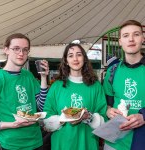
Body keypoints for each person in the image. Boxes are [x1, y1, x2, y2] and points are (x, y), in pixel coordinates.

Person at [43, 43, 107, 150]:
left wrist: (89, 117)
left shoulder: (96, 86)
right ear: (66, 61)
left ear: (84, 59)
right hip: (62, 144)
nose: (75, 59)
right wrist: (62, 118)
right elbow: (47, 118)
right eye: (71, 55)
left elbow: (103, 119)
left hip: (88, 143)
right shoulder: (57, 86)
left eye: (79, 54)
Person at [0, 33, 49, 150]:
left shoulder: (28, 75)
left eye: (25, 50)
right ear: (6, 50)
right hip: (10, 144)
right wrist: (11, 125)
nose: (21, 53)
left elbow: (41, 106)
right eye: (16, 49)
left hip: (36, 141)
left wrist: (44, 78)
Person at [103, 20, 145, 150]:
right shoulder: (112, 71)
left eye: (136, 34)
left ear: (143, 38)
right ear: (120, 41)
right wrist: (109, 111)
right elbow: (106, 104)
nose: (131, 39)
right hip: (115, 142)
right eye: (126, 35)